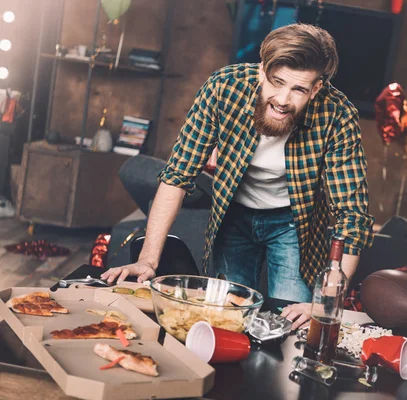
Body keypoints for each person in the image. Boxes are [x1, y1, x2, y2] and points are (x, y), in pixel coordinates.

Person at [102, 23, 374, 329]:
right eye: (277, 82)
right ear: (261, 71)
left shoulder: (338, 116)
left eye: (298, 89)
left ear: (315, 89)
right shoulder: (224, 88)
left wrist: (324, 303)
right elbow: (178, 175)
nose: (283, 100)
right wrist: (148, 260)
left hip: (293, 224)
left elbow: (352, 216)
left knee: (290, 321)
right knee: (226, 319)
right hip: (233, 214)